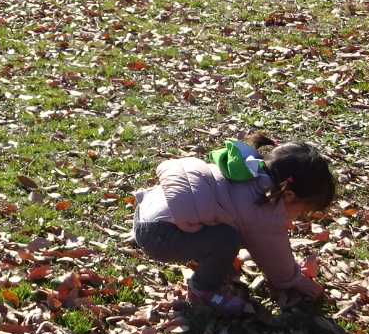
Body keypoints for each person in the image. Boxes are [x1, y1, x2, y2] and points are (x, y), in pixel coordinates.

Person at [131, 133, 334, 314]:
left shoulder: (248, 169)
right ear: (289, 195)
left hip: (145, 211)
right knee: (227, 239)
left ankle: (208, 258)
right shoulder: (266, 209)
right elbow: (273, 254)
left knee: (225, 227)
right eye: (302, 211)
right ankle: (203, 289)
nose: (298, 218)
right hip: (158, 236)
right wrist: (294, 279)